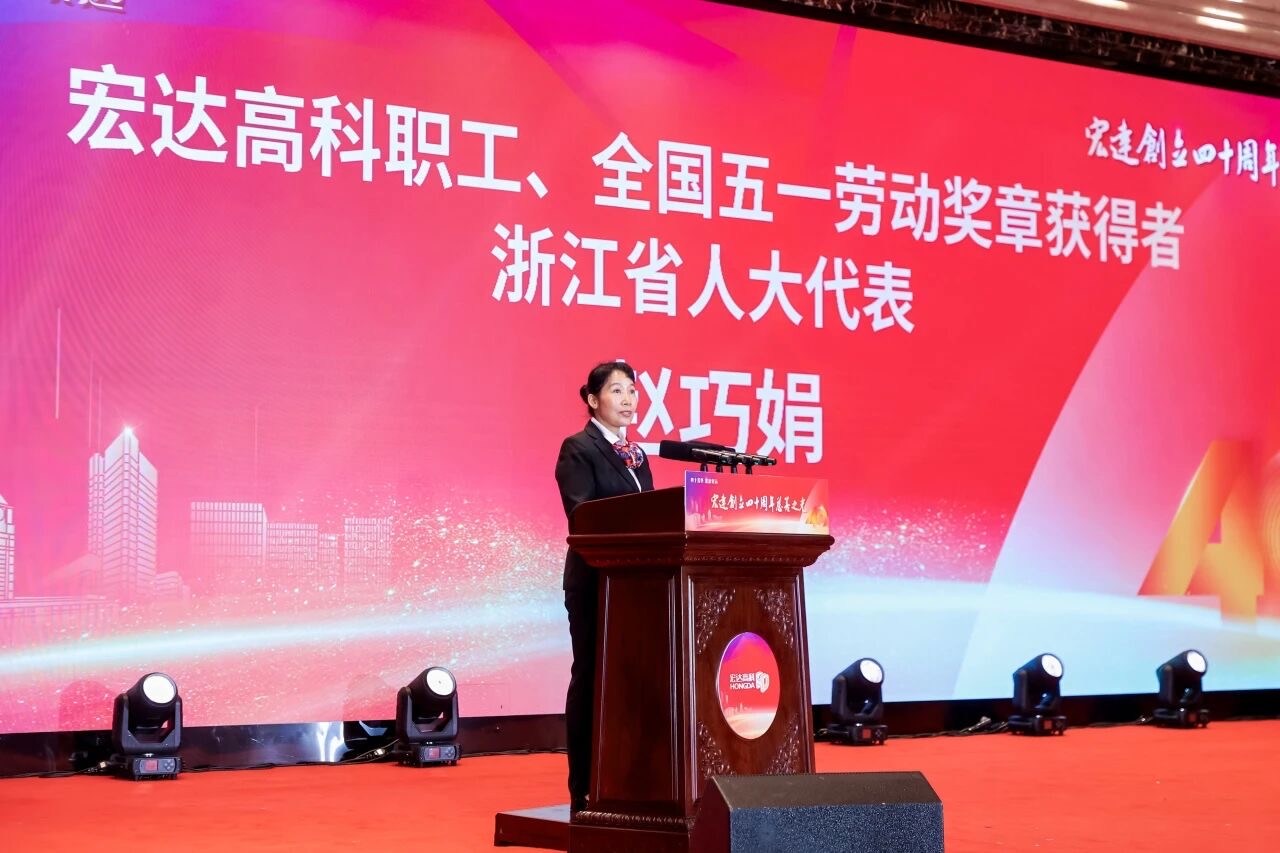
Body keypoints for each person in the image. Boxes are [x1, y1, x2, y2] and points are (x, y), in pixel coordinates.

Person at [554, 360, 654, 813]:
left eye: (631, 390)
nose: (628, 399)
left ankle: (629, 780)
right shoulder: (578, 448)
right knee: (592, 676)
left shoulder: (638, 455)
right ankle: (584, 787)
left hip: (640, 584)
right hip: (596, 582)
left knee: (635, 680)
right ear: (593, 400)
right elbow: (583, 516)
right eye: (617, 390)